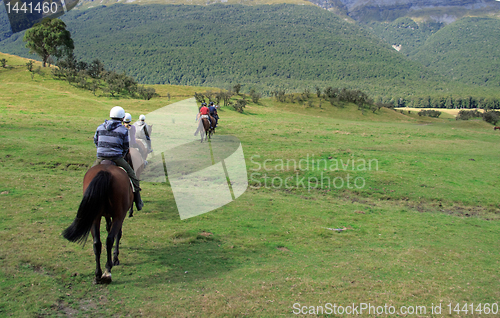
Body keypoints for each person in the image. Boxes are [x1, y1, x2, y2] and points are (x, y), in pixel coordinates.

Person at [93, 106, 143, 210]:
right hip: (116, 157)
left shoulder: (100, 127)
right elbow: (126, 146)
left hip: (101, 157)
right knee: (132, 175)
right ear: (122, 118)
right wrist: (121, 155)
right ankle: (138, 201)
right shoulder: (123, 130)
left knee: (90, 174)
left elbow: (96, 141)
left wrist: (102, 150)